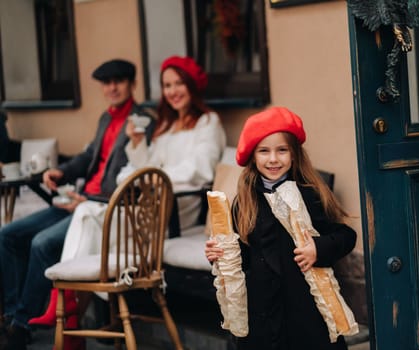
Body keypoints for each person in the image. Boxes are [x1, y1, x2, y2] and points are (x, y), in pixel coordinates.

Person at [29, 55, 226, 332]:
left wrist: (152, 180)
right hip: (150, 203)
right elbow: (145, 167)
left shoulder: (208, 122)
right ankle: (67, 306)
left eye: (179, 83)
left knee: (90, 216)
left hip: (178, 209)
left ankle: (66, 304)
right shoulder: (165, 127)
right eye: (167, 85)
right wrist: (137, 145)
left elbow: (201, 171)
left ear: (192, 85)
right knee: (87, 213)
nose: (172, 91)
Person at [0, 58, 155, 350]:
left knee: (42, 244)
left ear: (132, 84)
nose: (112, 88)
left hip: (99, 209)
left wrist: (88, 199)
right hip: (76, 200)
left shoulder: (143, 121)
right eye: (107, 83)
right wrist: (63, 171)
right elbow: (88, 158)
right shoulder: (106, 119)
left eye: (118, 81)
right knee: (9, 236)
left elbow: (133, 178)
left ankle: (21, 326)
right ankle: (12, 315)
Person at [205, 107, 357, 350]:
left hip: (305, 311)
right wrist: (218, 255)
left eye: (282, 150)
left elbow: (346, 235)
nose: (273, 159)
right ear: (253, 156)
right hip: (262, 313)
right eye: (264, 151)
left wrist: (318, 248)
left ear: (294, 154)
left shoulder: (310, 194)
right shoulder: (244, 202)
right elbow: (240, 258)